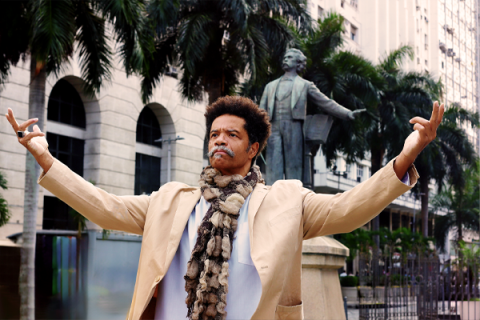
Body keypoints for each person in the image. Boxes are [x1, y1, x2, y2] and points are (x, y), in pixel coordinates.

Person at [6, 96, 444, 320]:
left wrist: (404, 158)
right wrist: (46, 158)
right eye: (215, 133)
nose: (219, 140)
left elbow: (348, 210)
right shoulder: (171, 202)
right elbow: (102, 206)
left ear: (253, 147)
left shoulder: (286, 201)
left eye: (232, 135)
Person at [259, 49, 364, 184]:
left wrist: (347, 113)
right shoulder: (270, 86)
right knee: (273, 165)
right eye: (285, 57)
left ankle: (294, 195)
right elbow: (260, 111)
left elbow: (326, 102)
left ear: (298, 64)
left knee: (294, 165)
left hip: (294, 126)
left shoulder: (304, 85)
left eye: (289, 57)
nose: (285, 59)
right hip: (273, 127)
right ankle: (272, 196)